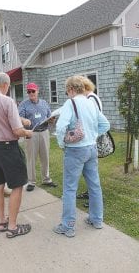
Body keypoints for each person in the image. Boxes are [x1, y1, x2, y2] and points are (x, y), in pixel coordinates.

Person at [53, 75, 110, 237]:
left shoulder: (70, 103)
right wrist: (92, 136)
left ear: (71, 89)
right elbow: (105, 124)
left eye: (66, 91)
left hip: (75, 150)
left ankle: (68, 226)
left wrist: (62, 144)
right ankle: (97, 219)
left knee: (70, 188)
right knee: (94, 185)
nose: (67, 94)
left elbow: (61, 126)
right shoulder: (91, 102)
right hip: (91, 149)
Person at [0, 72, 32, 238]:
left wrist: (19, 120)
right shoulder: (6, 100)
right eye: (8, 86)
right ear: (5, 85)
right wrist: (28, 133)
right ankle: (13, 226)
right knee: (17, 185)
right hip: (7, 147)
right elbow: (16, 130)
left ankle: (2, 221)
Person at [18, 82, 57, 192]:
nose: (31, 93)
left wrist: (52, 119)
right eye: (29, 92)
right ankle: (31, 181)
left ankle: (46, 179)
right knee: (31, 158)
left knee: (45, 157)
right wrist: (23, 120)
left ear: (37, 91)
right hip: (31, 133)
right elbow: (18, 117)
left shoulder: (44, 103)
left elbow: (50, 116)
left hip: (44, 132)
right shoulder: (24, 104)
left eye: (33, 91)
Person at [76, 77, 103, 207]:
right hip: (91, 138)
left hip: (91, 139)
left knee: (92, 174)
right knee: (90, 173)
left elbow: (95, 119)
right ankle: (90, 194)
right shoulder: (91, 98)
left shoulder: (91, 99)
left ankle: (93, 200)